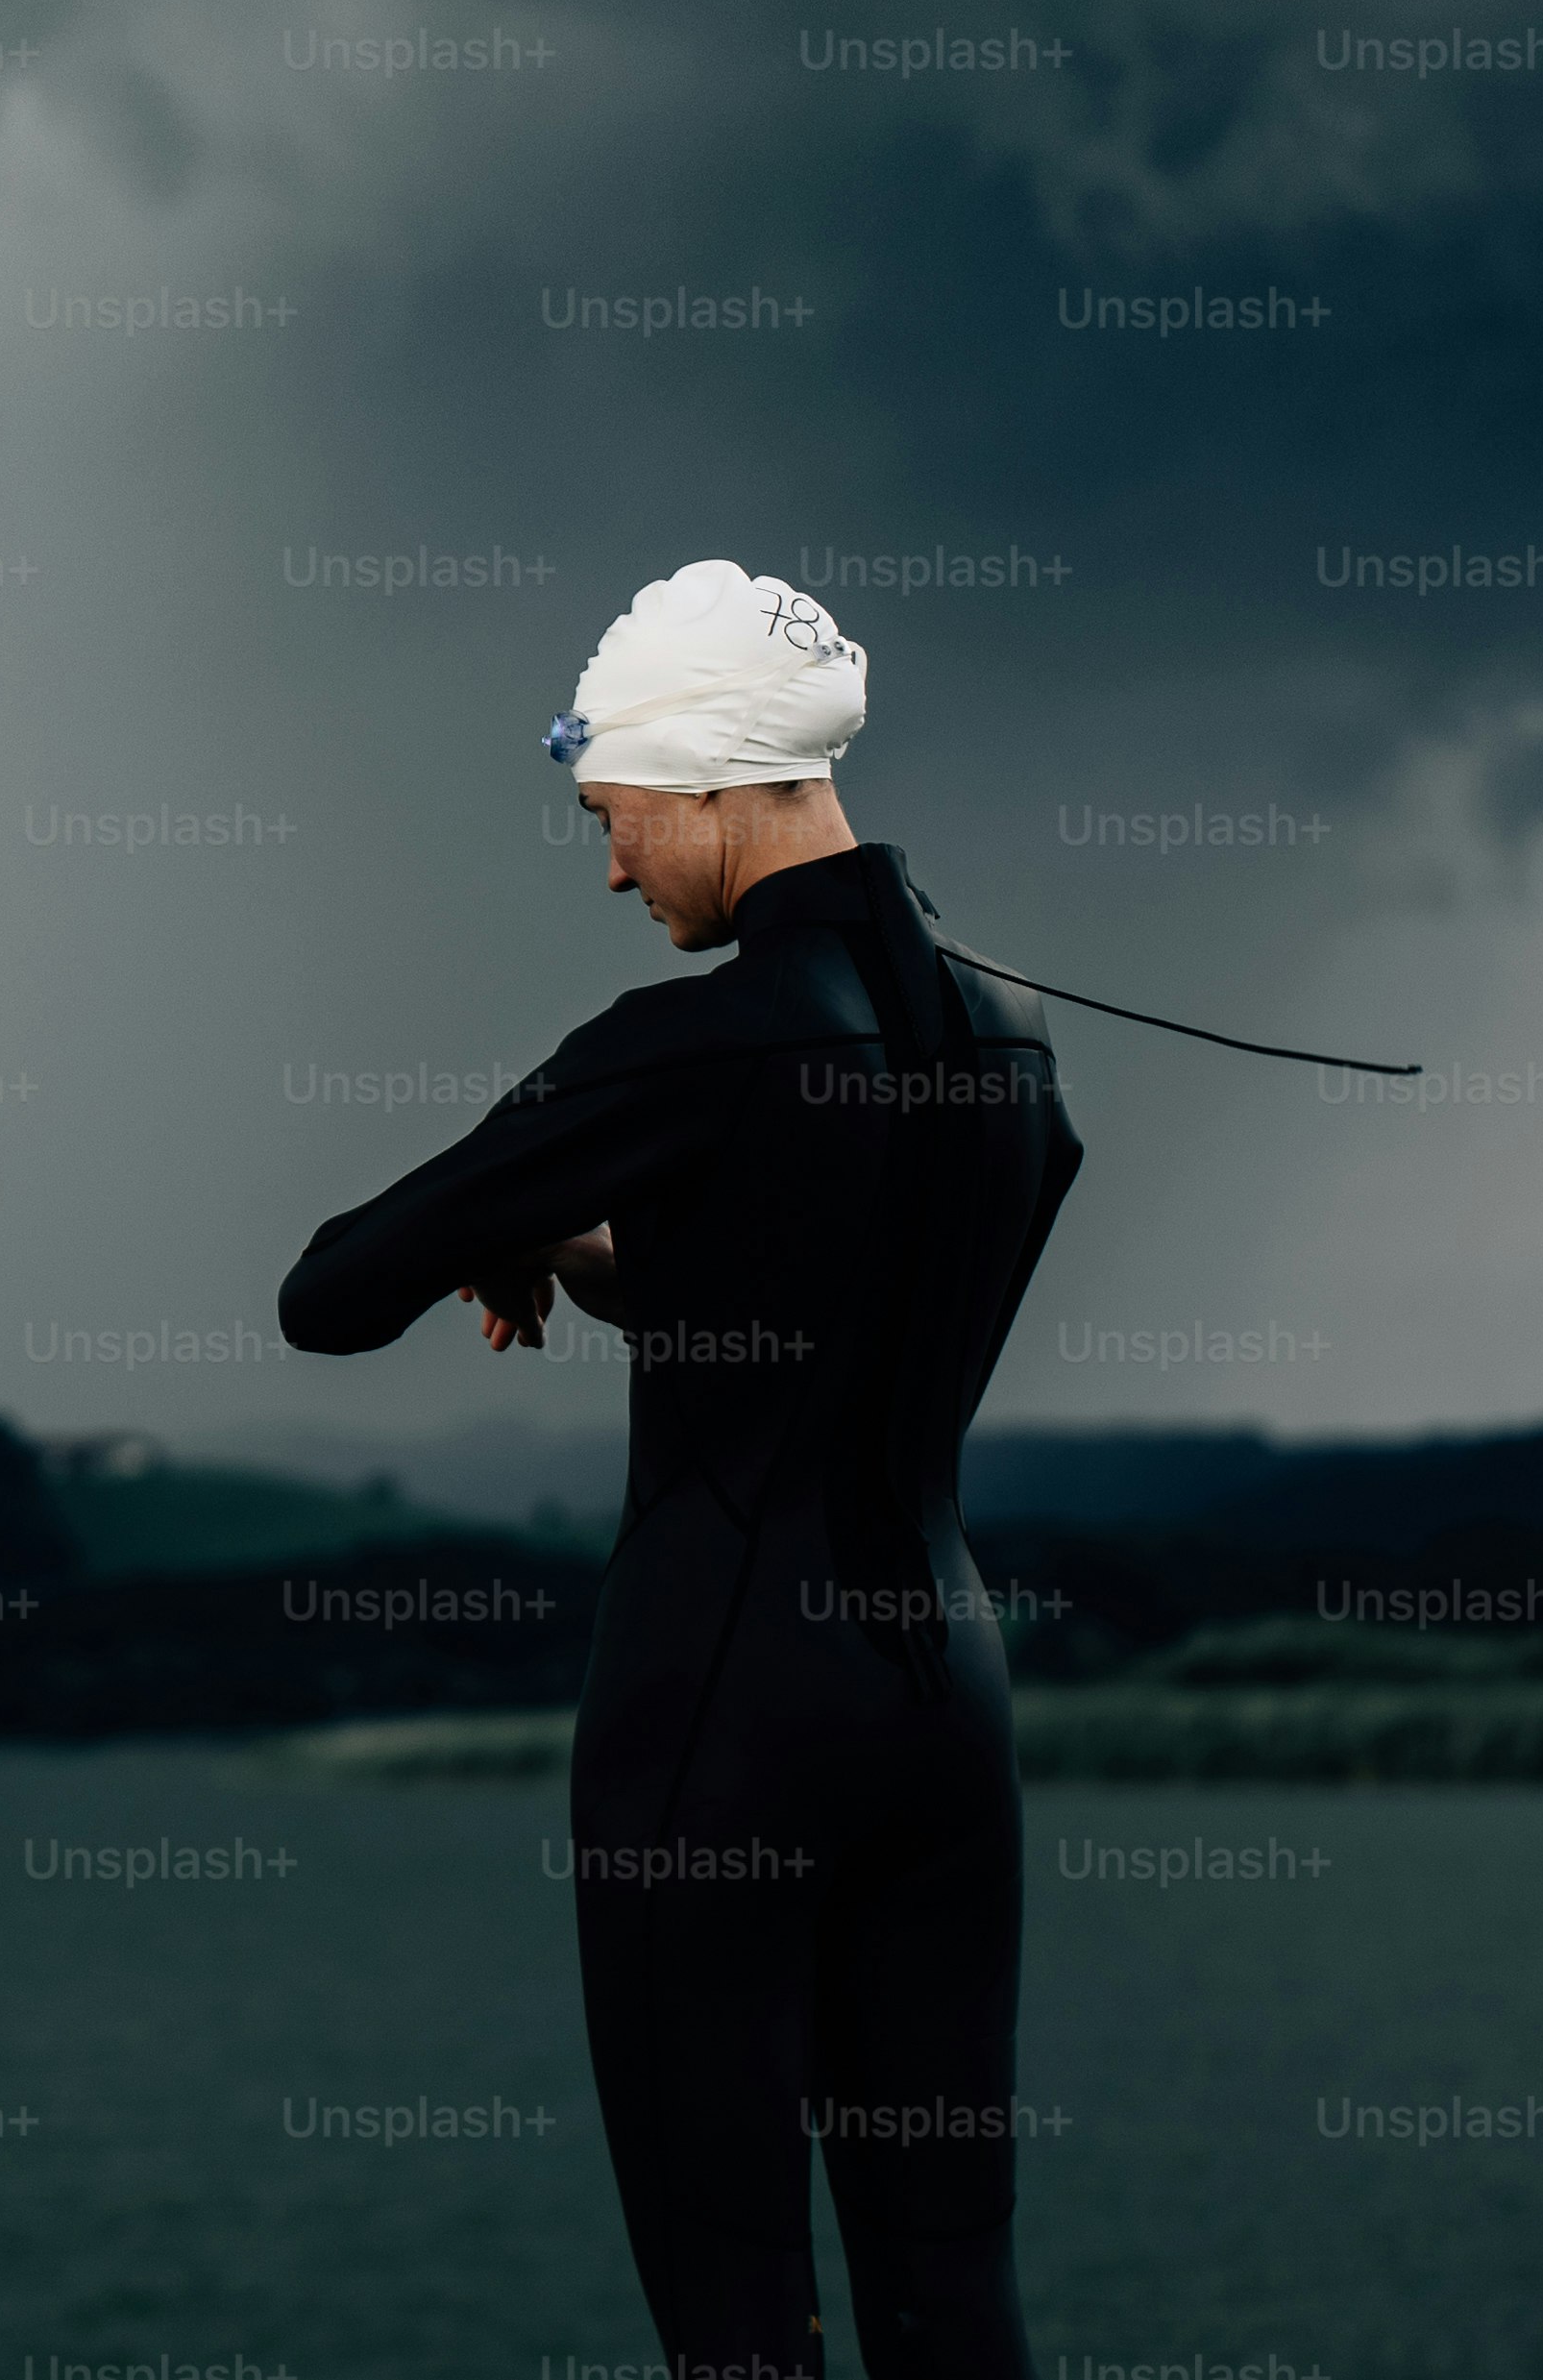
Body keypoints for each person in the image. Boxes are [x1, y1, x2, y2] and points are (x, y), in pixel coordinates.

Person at [275, 560, 1081, 2380]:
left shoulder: (688, 1041)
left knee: (737, 2321)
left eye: (614, 818)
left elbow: (330, 1291)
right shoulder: (1013, 1033)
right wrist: (585, 1251)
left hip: (716, 1705)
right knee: (954, 2289)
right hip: (944, 1700)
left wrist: (530, 1211)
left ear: (707, 778)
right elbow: (817, 1317)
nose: (614, 867)